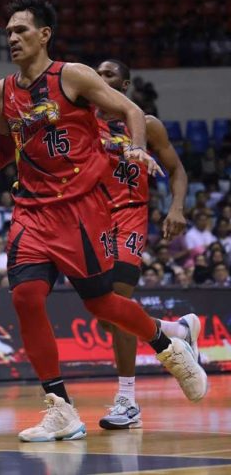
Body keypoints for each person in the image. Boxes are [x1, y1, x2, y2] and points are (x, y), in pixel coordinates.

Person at [0, 0, 207, 442]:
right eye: (8, 32)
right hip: (30, 211)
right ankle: (60, 408)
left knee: (101, 304)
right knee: (25, 297)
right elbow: (3, 150)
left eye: (22, 30)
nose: (13, 38)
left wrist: (136, 145)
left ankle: (167, 345)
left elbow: (132, 111)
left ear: (44, 35)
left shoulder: (73, 76)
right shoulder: (5, 90)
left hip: (80, 209)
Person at [94, 59, 192, 430]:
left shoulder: (146, 125)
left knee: (117, 305)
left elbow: (178, 169)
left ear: (126, 84)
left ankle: (127, 399)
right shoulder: (84, 121)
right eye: (97, 74)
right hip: (92, 221)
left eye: (109, 75)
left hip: (130, 218)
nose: (101, 80)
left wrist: (176, 206)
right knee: (107, 316)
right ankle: (178, 330)